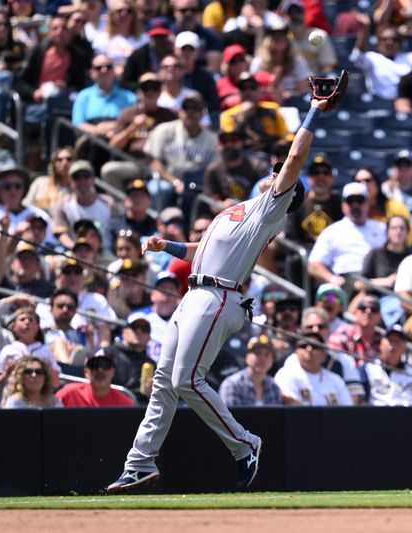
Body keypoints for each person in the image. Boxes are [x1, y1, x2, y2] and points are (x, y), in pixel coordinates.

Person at [106, 86, 331, 494]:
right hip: (195, 292)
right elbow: (200, 249)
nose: (276, 171)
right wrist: (165, 246)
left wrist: (314, 110)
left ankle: (245, 443)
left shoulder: (271, 209)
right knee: (164, 382)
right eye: (276, 169)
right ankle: (139, 463)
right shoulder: (237, 211)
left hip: (218, 296)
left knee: (188, 380)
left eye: (281, 172)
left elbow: (297, 157)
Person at [307, 182, 387, 290]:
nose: (355, 205)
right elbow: (313, 265)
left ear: (368, 203)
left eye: (360, 200)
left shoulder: (382, 228)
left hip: (378, 282)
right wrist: (331, 278)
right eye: (350, 201)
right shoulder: (332, 231)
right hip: (345, 283)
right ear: (343, 206)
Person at [362, 324, 412, 406]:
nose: (393, 346)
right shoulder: (369, 368)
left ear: (405, 348)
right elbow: (360, 400)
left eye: (397, 341)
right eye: (390, 340)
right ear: (381, 344)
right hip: (377, 416)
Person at [273, 331, 353, 406]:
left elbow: (348, 410)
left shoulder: (335, 380)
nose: (309, 349)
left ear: (324, 354)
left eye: (315, 346)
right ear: (296, 352)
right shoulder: (286, 375)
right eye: (303, 346)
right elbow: (293, 411)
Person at [283, 154, 342, 250]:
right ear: (309, 178)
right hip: (303, 255)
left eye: (326, 173)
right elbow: (290, 236)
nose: (321, 177)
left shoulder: (341, 204)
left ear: (332, 178)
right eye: (316, 173)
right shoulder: (297, 202)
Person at [57, 348, 135, 407]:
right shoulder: (68, 393)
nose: (100, 370)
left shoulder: (124, 404)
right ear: (86, 372)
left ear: (113, 372)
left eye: (105, 365)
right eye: (94, 365)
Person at [218, 334, 281, 406]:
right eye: (258, 353)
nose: (262, 358)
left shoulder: (273, 386)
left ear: (272, 360)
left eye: (267, 354)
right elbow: (230, 416)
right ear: (246, 357)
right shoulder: (232, 384)